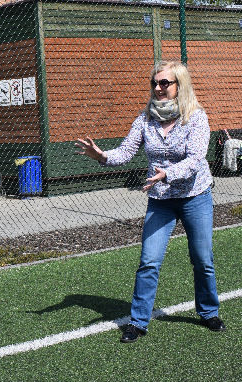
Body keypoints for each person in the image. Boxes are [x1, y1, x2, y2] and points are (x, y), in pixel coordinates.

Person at [76, 60, 226, 343]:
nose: (158, 88)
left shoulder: (196, 117)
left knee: (202, 259)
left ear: (179, 85)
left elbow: (196, 160)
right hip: (161, 200)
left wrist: (167, 173)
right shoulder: (145, 119)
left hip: (195, 197)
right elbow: (125, 151)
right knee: (149, 261)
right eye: (154, 83)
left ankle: (209, 312)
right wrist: (102, 156)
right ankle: (138, 321)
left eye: (164, 83)